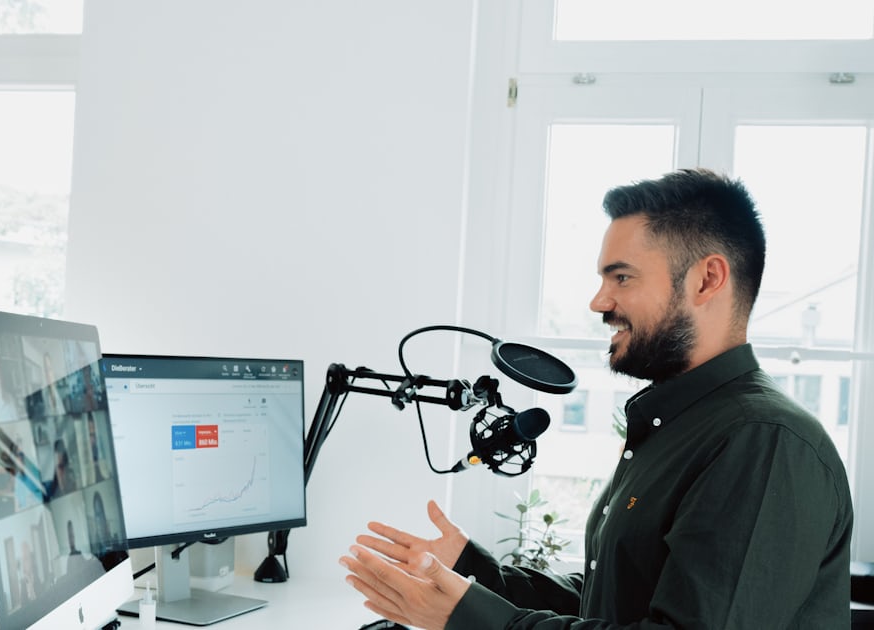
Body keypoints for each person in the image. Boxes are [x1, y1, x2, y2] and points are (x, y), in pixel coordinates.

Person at [339, 169, 853, 629]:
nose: (598, 302)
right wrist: (473, 573)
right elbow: (613, 603)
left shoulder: (762, 443)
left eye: (621, 277)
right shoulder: (676, 426)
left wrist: (468, 618)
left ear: (706, 279)